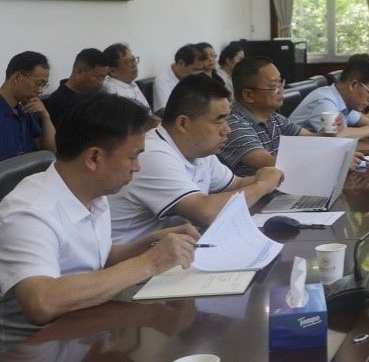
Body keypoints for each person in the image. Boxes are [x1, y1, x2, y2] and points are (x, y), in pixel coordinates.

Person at [0, 93, 198, 332]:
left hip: (86, 326)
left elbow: (94, 257)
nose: (137, 167)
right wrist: (149, 263)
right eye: (133, 157)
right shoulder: (29, 213)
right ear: (94, 157)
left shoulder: (92, 192)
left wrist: (150, 244)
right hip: (36, 346)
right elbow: (41, 302)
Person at [109, 75, 284, 243]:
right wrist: (263, 185)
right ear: (183, 123)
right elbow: (205, 212)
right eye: (219, 121)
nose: (227, 130)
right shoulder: (152, 153)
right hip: (137, 258)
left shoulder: (199, 150)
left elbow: (236, 184)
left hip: (174, 249)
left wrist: (270, 177)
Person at [216, 56, 320, 177]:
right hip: (254, 188)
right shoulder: (233, 125)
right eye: (273, 86)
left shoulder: (273, 117)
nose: (281, 90)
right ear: (248, 95)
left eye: (280, 83)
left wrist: (330, 132)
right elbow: (269, 163)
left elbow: (311, 139)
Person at [289, 55, 369, 138]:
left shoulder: (344, 101)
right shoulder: (325, 100)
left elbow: (359, 120)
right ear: (353, 85)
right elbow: (335, 135)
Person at [0, 51, 57, 161]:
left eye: (43, 85)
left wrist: (45, 116)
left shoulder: (26, 109)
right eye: (38, 83)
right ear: (17, 77)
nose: (40, 91)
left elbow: (50, 150)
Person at [43, 49, 111, 125]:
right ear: (79, 72)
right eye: (98, 77)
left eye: (103, 78)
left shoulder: (96, 96)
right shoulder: (57, 102)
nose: (101, 84)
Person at [152, 44, 207, 115]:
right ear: (181, 63)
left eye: (199, 70)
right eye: (194, 70)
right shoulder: (162, 80)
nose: (196, 74)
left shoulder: (189, 77)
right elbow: (166, 111)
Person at [102, 43, 150, 109]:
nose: (134, 65)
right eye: (127, 62)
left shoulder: (129, 81)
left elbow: (147, 111)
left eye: (133, 60)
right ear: (113, 71)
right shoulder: (111, 92)